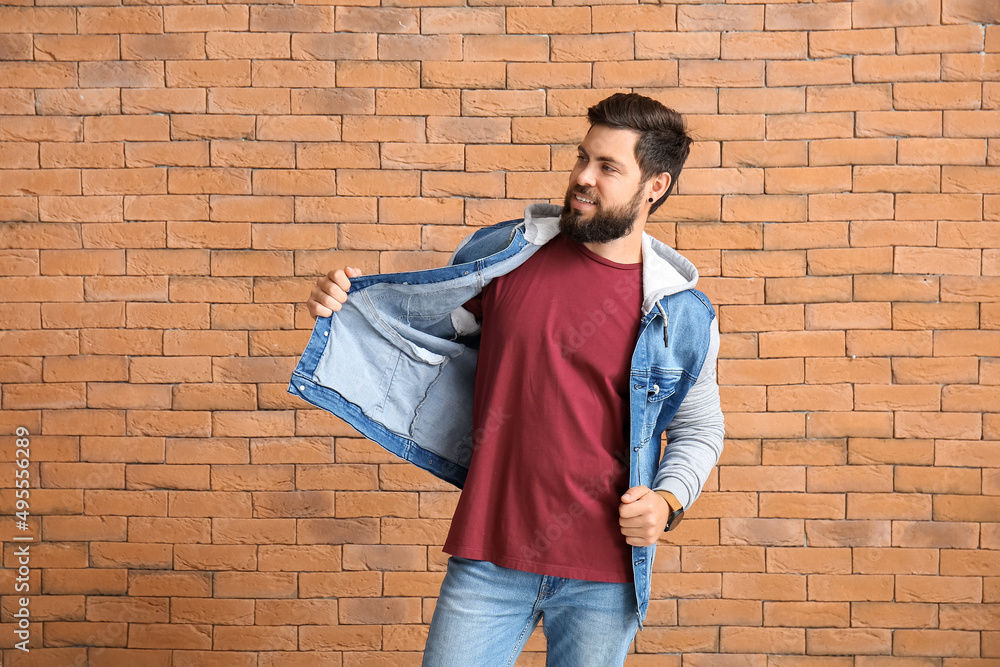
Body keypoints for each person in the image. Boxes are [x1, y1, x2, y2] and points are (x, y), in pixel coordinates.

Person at [291, 92, 725, 666]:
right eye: (582, 157)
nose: (582, 178)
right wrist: (347, 302)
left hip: (605, 575)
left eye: (608, 167)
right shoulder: (507, 256)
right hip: (489, 559)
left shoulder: (681, 313)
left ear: (655, 187)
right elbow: (416, 329)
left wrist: (667, 501)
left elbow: (701, 427)